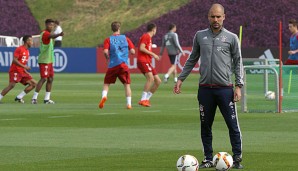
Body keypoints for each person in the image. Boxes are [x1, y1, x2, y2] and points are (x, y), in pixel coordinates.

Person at [173, 4, 244, 169]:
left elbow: (238, 62)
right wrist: (180, 78)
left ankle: (237, 158)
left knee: (232, 125)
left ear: (224, 17)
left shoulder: (232, 38)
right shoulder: (200, 36)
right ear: (208, 17)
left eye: (219, 16)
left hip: (225, 90)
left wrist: (239, 86)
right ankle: (207, 158)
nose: (216, 20)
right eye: (213, 16)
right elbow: (191, 59)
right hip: (205, 90)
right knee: (205, 125)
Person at [98, 21, 135, 109]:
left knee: (106, 83)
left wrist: (107, 58)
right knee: (127, 84)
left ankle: (104, 96)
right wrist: (126, 52)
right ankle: (129, 104)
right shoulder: (126, 38)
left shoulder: (108, 39)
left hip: (113, 65)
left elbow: (105, 52)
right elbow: (133, 52)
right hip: (123, 64)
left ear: (112, 29)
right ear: (119, 28)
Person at [31, 19, 64, 104]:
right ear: (46, 25)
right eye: (50, 25)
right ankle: (34, 98)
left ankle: (47, 99)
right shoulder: (45, 33)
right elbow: (51, 37)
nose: (51, 27)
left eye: (53, 25)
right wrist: (59, 34)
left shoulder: (48, 33)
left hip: (49, 60)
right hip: (44, 60)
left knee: (50, 79)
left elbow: (51, 36)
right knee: (44, 78)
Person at [0, 35, 37, 103]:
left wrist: (25, 70)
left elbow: (22, 62)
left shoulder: (27, 51)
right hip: (15, 70)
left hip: (22, 71)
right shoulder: (19, 49)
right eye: (31, 40)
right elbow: (14, 60)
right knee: (11, 85)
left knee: (34, 84)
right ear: (27, 41)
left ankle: (19, 97)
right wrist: (25, 67)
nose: (32, 42)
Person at [137, 23, 161, 107]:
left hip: (147, 61)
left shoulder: (149, 38)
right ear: (153, 29)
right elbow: (141, 48)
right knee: (150, 79)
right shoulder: (146, 36)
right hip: (143, 61)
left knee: (158, 81)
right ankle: (143, 100)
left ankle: (146, 99)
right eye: (156, 30)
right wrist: (153, 54)